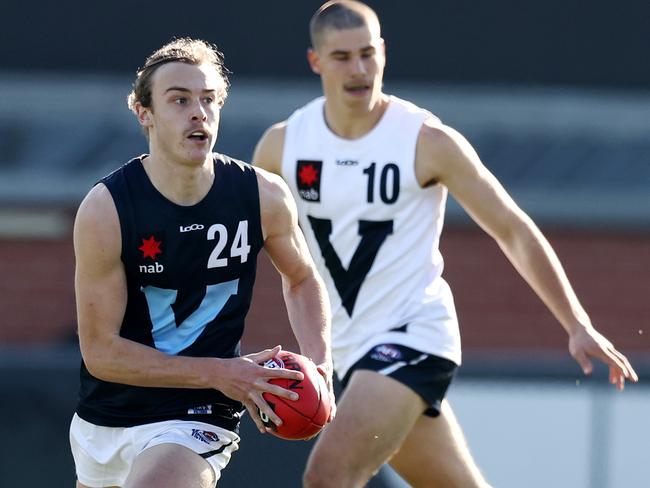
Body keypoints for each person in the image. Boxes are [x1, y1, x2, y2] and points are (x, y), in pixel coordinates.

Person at [252, 2, 639, 487]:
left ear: (385, 54)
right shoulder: (282, 145)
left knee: (327, 476)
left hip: (414, 337)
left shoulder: (426, 140)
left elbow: (512, 228)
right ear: (315, 62)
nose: (359, 69)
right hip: (349, 355)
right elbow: (241, 248)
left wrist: (577, 324)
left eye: (369, 54)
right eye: (343, 56)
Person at [69, 38, 334, 488]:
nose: (198, 112)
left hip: (200, 414)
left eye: (209, 99)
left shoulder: (262, 196)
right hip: (106, 419)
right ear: (144, 113)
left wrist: (321, 366)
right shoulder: (107, 208)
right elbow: (100, 353)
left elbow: (303, 278)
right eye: (179, 100)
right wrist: (221, 371)